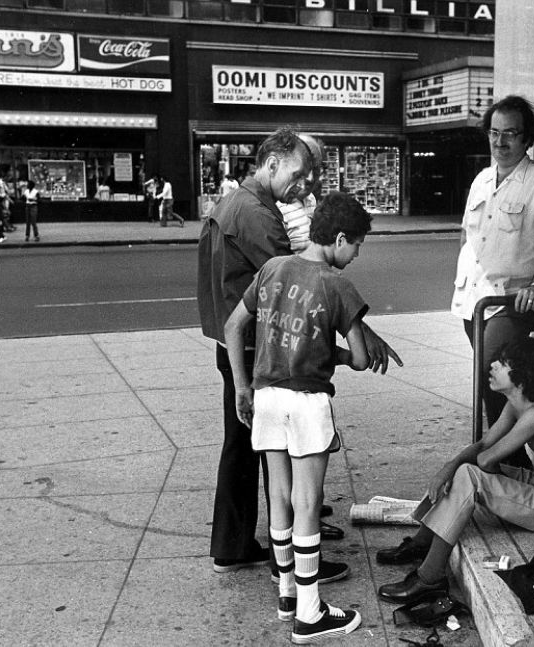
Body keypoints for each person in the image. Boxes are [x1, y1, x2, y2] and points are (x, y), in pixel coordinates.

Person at [197, 127, 402, 582]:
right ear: (271, 164)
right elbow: (304, 284)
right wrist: (360, 333)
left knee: (245, 447)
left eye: (310, 175)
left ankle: (234, 546)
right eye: (298, 173)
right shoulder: (256, 215)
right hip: (258, 349)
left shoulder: (232, 202)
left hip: (237, 342)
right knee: (281, 456)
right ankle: (285, 559)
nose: (304, 184)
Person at [224, 191, 373, 644]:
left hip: (267, 396)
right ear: (340, 238)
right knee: (309, 501)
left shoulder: (272, 269)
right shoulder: (337, 285)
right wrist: (340, 353)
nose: (357, 254)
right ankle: (310, 614)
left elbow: (234, 326)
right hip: (308, 402)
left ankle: (288, 592)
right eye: (358, 245)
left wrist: (243, 385)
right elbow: (363, 360)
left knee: (281, 497)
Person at [375, 338, 534, 605]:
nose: (492, 366)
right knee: (461, 469)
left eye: (502, 363)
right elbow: (483, 445)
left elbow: (485, 460)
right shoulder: (517, 405)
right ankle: (422, 542)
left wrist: (467, 472)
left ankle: (430, 578)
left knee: (468, 476)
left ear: (523, 375)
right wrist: (448, 467)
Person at [453, 94, 534, 466]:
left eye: (510, 134)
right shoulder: (480, 180)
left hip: (512, 300)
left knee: (494, 369)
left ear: (527, 138)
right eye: (494, 133)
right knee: (501, 380)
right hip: (472, 299)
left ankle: (507, 459)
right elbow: (467, 237)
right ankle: (513, 456)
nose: (500, 142)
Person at [277, 135, 325, 253]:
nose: (311, 177)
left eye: (316, 169)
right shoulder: (275, 205)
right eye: (305, 168)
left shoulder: (310, 198)